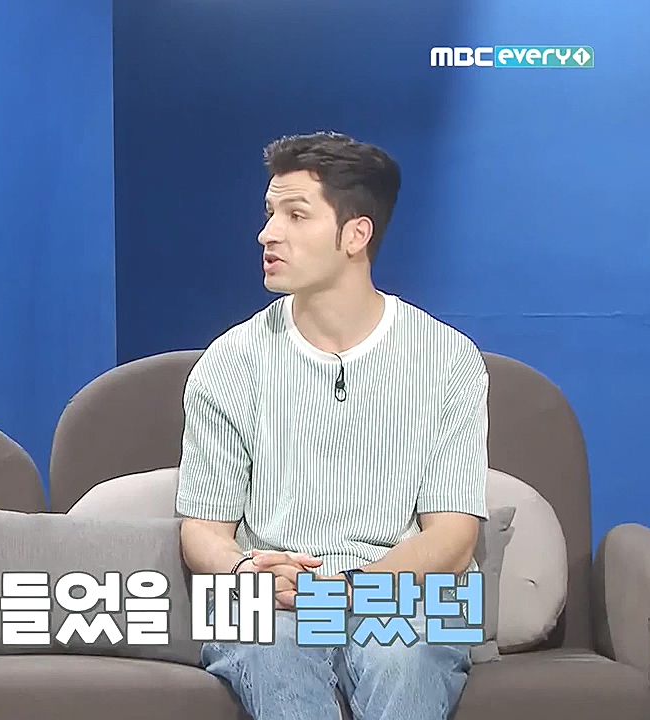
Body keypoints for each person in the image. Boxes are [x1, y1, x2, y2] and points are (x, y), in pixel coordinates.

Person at [176, 131, 487, 720]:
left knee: (405, 658)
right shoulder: (229, 362)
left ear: (355, 235)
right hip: (274, 594)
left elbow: (452, 540)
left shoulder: (448, 359)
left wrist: (346, 589)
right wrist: (247, 571)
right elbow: (203, 531)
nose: (268, 234)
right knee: (268, 653)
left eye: (296, 215)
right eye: (270, 213)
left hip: (404, 590)